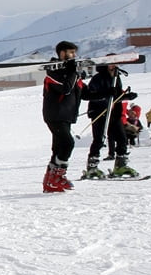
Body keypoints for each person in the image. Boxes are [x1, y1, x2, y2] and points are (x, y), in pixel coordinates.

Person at [41, 40, 84, 192]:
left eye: (74, 52)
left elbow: (85, 93)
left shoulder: (72, 75)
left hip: (66, 115)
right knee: (68, 143)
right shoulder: (53, 73)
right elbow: (65, 89)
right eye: (70, 52)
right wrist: (73, 73)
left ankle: (49, 181)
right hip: (55, 115)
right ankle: (57, 176)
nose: (73, 55)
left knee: (58, 148)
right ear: (61, 53)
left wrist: (114, 94)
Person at [82, 59, 137, 179]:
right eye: (111, 63)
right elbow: (91, 94)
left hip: (114, 113)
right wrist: (106, 94)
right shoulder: (98, 78)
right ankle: (92, 167)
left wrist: (126, 96)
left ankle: (120, 165)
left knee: (122, 138)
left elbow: (116, 96)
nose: (114, 66)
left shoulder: (116, 78)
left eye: (116, 63)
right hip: (100, 112)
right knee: (99, 139)